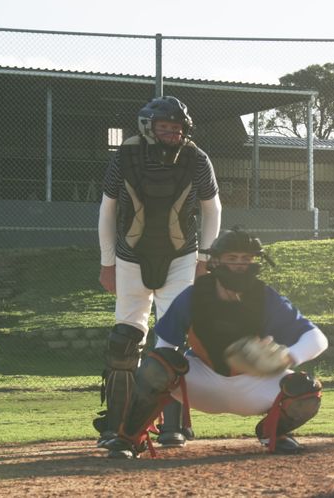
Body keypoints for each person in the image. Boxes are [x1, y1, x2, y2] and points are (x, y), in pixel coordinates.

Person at [102, 227, 329, 459]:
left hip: (254, 385)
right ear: (216, 261)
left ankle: (272, 432)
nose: (240, 264)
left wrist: (288, 357)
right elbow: (164, 348)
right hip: (203, 383)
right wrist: (159, 386)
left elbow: (317, 338)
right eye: (232, 258)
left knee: (307, 391)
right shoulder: (193, 296)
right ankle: (129, 438)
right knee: (157, 365)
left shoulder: (266, 298)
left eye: (246, 258)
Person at [96, 96, 222, 448]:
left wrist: (205, 259)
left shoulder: (197, 159)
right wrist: (107, 262)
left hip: (181, 256)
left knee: (170, 341)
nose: (172, 133)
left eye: (178, 128)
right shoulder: (123, 157)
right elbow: (107, 210)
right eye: (165, 127)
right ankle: (118, 425)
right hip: (130, 257)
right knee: (124, 339)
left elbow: (213, 209)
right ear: (147, 127)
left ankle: (173, 426)